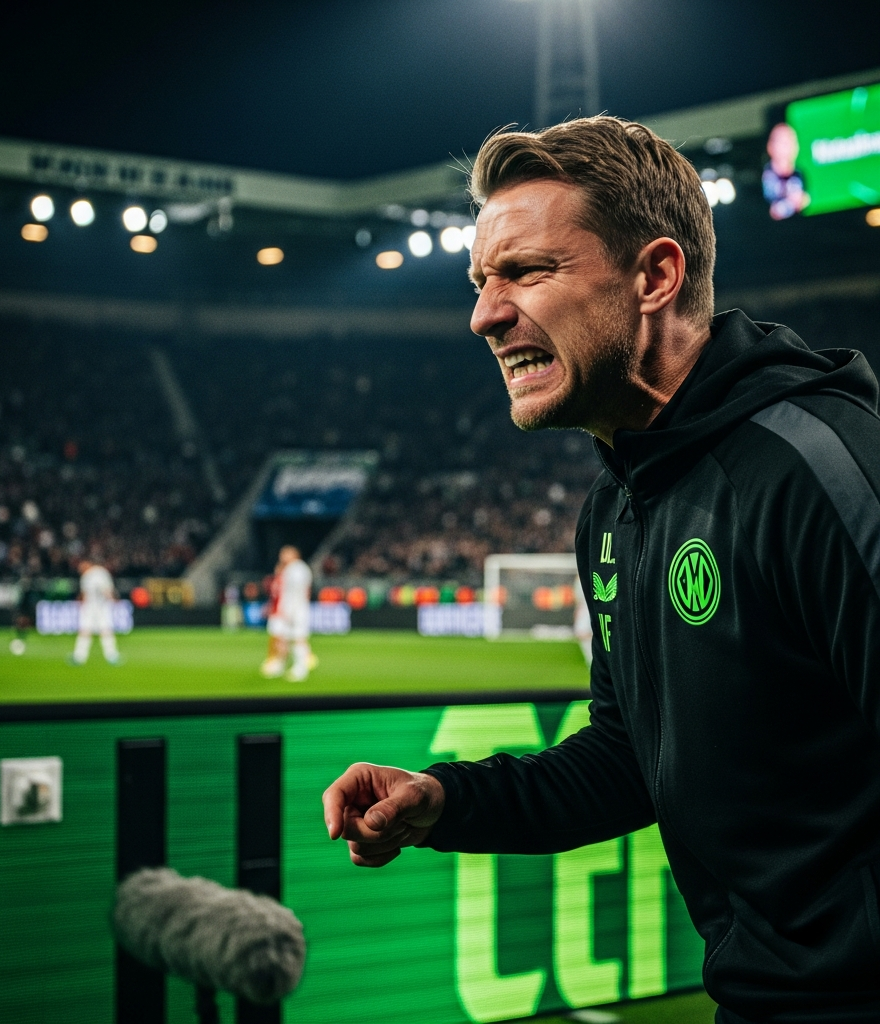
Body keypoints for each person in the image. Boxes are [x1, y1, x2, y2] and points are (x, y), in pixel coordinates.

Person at [323, 117, 880, 1023]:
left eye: (527, 273)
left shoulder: (819, 469)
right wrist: (447, 802)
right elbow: (632, 760)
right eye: (480, 281)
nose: (484, 315)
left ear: (655, 276)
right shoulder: (617, 507)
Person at [260, 545, 316, 682]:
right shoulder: (288, 569)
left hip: (296, 610)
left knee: (298, 638)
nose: (282, 555)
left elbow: (296, 593)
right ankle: (280, 664)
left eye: (285, 553)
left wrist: (290, 611)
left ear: (294, 554)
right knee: (283, 638)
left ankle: (300, 668)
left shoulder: (297, 569)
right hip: (288, 609)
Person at [70, 559, 121, 665]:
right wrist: (113, 599)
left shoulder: (89, 575)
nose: (81, 570)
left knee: (86, 631)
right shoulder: (101, 573)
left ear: (88, 564)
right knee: (105, 630)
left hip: (92, 606)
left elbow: (86, 593)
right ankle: (111, 655)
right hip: (100, 606)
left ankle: (79, 656)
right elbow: (107, 590)